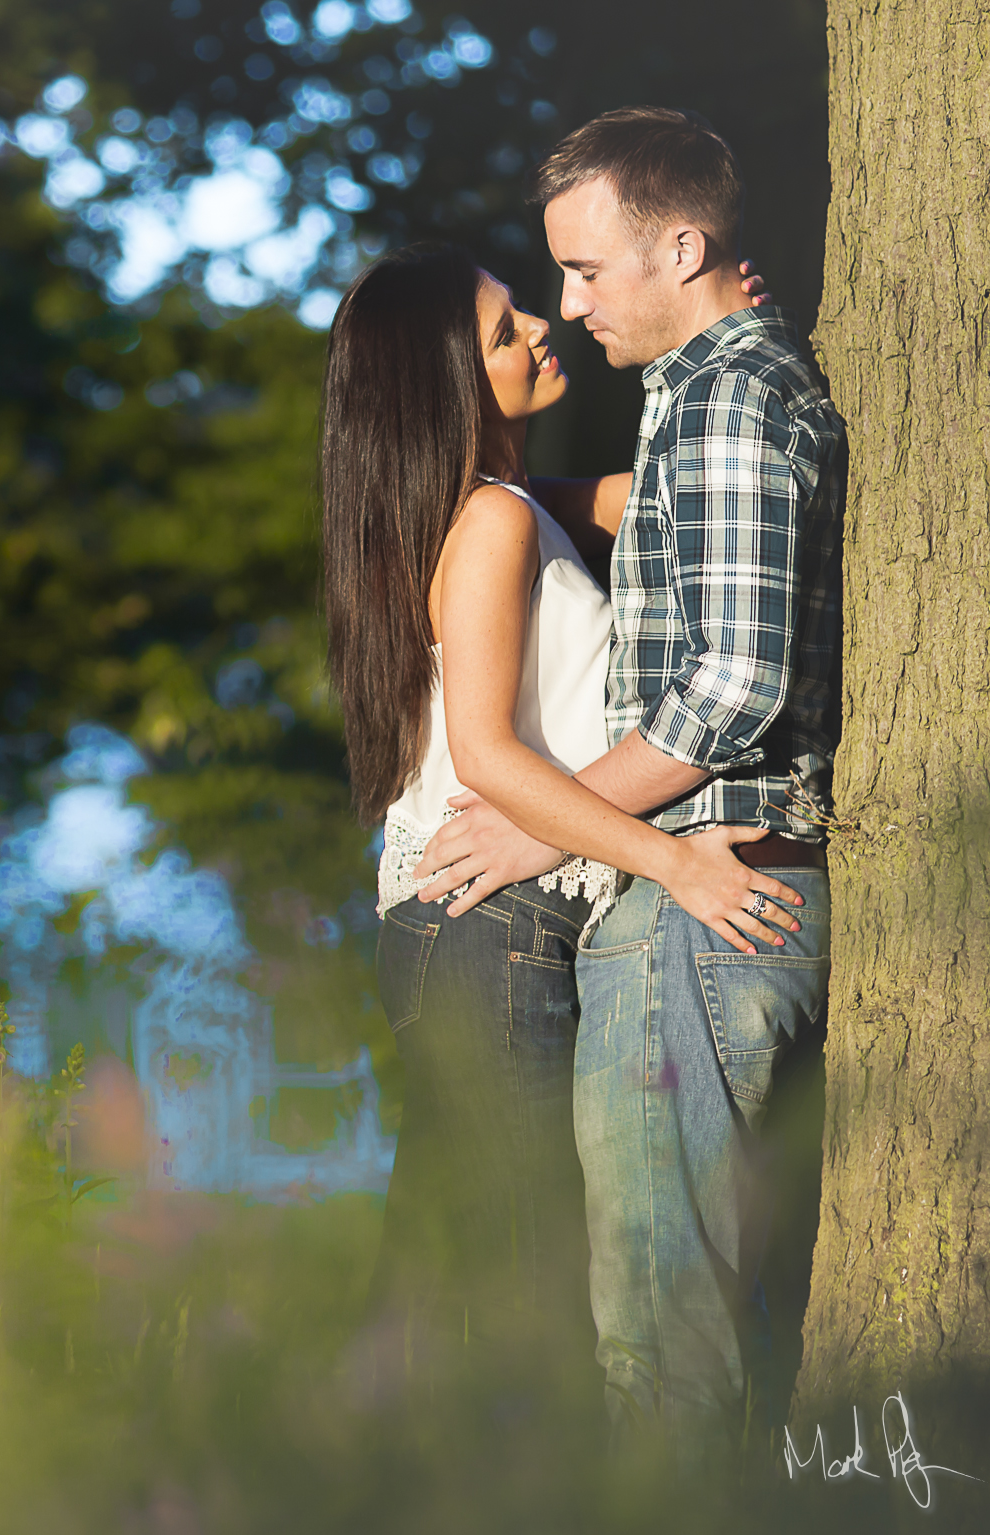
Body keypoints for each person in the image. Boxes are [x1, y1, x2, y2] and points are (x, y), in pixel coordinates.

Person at [415, 107, 844, 1453]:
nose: (567, 303)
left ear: (685, 244)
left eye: (589, 271)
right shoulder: (704, 388)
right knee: (701, 1313)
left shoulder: (726, 391)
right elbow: (608, 506)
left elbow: (734, 684)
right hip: (704, 901)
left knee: (660, 1334)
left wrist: (561, 830)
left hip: (700, 910)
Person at [322, 241, 796, 1400]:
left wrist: (733, 333)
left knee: (452, 1274)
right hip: (493, 925)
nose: (541, 326)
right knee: (520, 1285)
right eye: (501, 331)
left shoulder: (514, 506)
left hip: (481, 926)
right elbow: (487, 751)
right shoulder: (487, 521)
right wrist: (673, 864)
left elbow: (669, 487)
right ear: (449, 386)